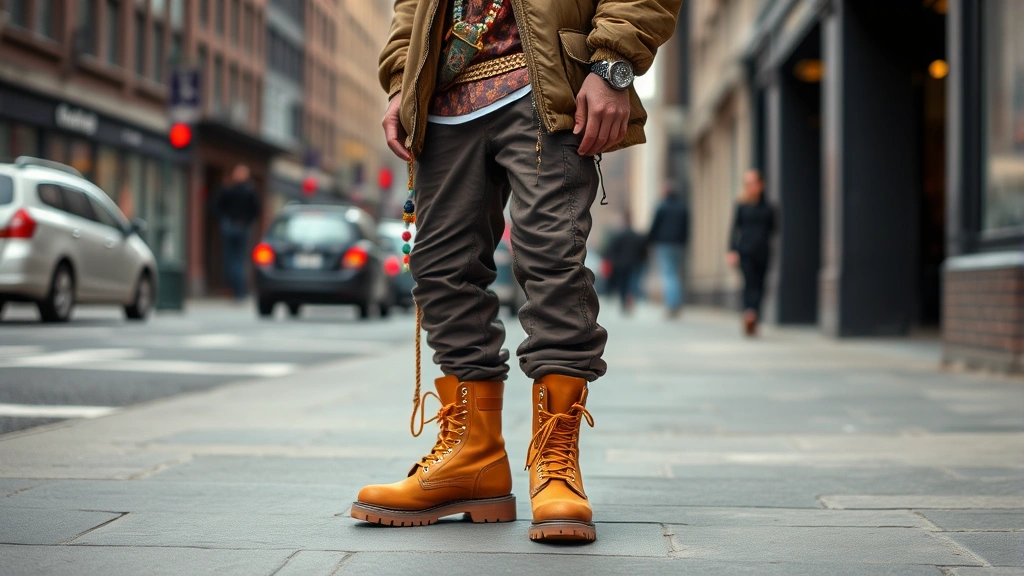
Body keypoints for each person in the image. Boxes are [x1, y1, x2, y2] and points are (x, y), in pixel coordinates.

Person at [351, 0, 681, 543]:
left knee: (550, 259)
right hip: (444, 95)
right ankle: (473, 458)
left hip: (545, 80)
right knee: (438, 267)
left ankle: (556, 463)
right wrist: (399, 82)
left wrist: (613, 64)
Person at [727, 170, 775, 337]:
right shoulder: (741, 206)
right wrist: (732, 250)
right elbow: (734, 229)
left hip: (763, 251)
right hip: (745, 251)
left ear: (761, 185)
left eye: (753, 183)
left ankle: (754, 317)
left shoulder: (769, 207)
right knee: (749, 283)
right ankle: (749, 313)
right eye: (747, 184)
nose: (750, 187)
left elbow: (774, 229)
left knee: (761, 285)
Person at [212, 165, 260, 300]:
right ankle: (237, 290)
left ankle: (237, 290)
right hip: (236, 227)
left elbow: (256, 210)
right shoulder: (239, 190)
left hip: (236, 227)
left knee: (235, 259)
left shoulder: (235, 189)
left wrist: (226, 219)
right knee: (235, 260)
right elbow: (256, 210)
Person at [647, 183, 690, 318]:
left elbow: (654, 227)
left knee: (668, 274)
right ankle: (676, 302)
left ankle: (672, 304)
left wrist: (649, 241)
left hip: (664, 244)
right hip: (679, 245)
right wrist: (684, 242)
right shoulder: (683, 207)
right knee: (675, 274)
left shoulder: (662, 207)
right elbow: (686, 228)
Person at [605, 213, 648, 314]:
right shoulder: (637, 236)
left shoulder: (618, 235)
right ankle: (629, 301)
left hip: (620, 265)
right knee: (631, 283)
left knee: (622, 284)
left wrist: (612, 260)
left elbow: (611, 250)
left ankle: (624, 303)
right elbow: (643, 250)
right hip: (634, 264)